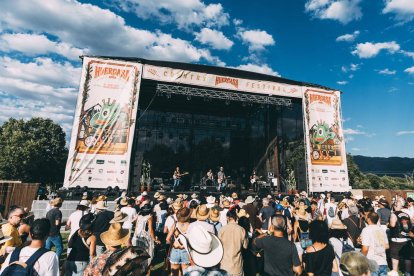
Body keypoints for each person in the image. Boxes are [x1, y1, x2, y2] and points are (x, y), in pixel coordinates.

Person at [218, 209, 248, 275]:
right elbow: (245, 246)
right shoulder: (241, 230)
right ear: (236, 217)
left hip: (224, 264)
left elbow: (218, 246)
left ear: (227, 218)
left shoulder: (222, 230)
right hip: (236, 265)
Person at [360, 211, 389, 276]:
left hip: (371, 262)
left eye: (366, 217)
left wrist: (361, 259)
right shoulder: (381, 230)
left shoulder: (366, 230)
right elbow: (386, 246)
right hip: (383, 262)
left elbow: (365, 249)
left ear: (369, 219)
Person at [132, 203, 158, 273]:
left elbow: (136, 226)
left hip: (137, 236)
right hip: (145, 237)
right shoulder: (149, 217)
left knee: (138, 254)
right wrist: (154, 239)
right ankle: (146, 268)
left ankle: (139, 269)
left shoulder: (139, 216)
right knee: (147, 253)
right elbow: (150, 229)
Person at [166, 207, 192, 276]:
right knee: (186, 272)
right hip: (186, 250)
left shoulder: (175, 224)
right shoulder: (190, 226)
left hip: (175, 250)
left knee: (174, 272)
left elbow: (167, 239)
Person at [389, 199, 411, 275]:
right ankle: (407, 272)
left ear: (395, 206)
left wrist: (387, 224)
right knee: (407, 256)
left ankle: (395, 271)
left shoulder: (393, 214)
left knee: (395, 256)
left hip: (397, 238)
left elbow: (392, 225)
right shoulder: (406, 214)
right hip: (407, 238)